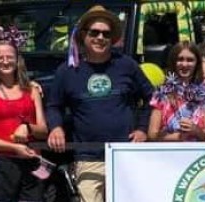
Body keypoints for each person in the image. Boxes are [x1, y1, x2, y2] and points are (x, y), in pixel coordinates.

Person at [45, 5, 153, 202]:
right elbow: (53, 105)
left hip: (125, 154)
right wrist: (56, 128)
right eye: (94, 32)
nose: (100, 38)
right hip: (87, 157)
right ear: (83, 35)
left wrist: (142, 129)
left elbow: (151, 98)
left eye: (106, 33)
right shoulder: (67, 71)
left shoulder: (126, 65)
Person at [0, 33, 50, 201]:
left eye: (10, 57)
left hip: (33, 161)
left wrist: (28, 127)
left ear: (18, 60)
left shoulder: (32, 90)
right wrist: (14, 148)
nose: (5, 61)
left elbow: (44, 131)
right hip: (2, 163)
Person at [148, 42, 205, 142]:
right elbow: (152, 135)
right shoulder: (162, 93)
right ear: (173, 62)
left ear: (197, 63)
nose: (184, 64)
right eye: (180, 59)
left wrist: (196, 130)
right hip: (169, 153)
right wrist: (177, 137)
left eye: (190, 60)